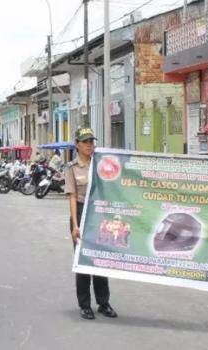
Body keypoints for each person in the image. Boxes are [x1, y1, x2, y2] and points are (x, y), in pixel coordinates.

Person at [64, 127, 117, 320]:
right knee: (84, 260)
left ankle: (104, 303)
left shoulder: (102, 164)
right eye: (85, 142)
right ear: (77, 144)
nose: (89, 145)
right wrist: (75, 225)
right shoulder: (71, 168)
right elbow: (71, 197)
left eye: (91, 142)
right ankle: (84, 304)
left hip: (99, 213)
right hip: (80, 213)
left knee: (100, 259)